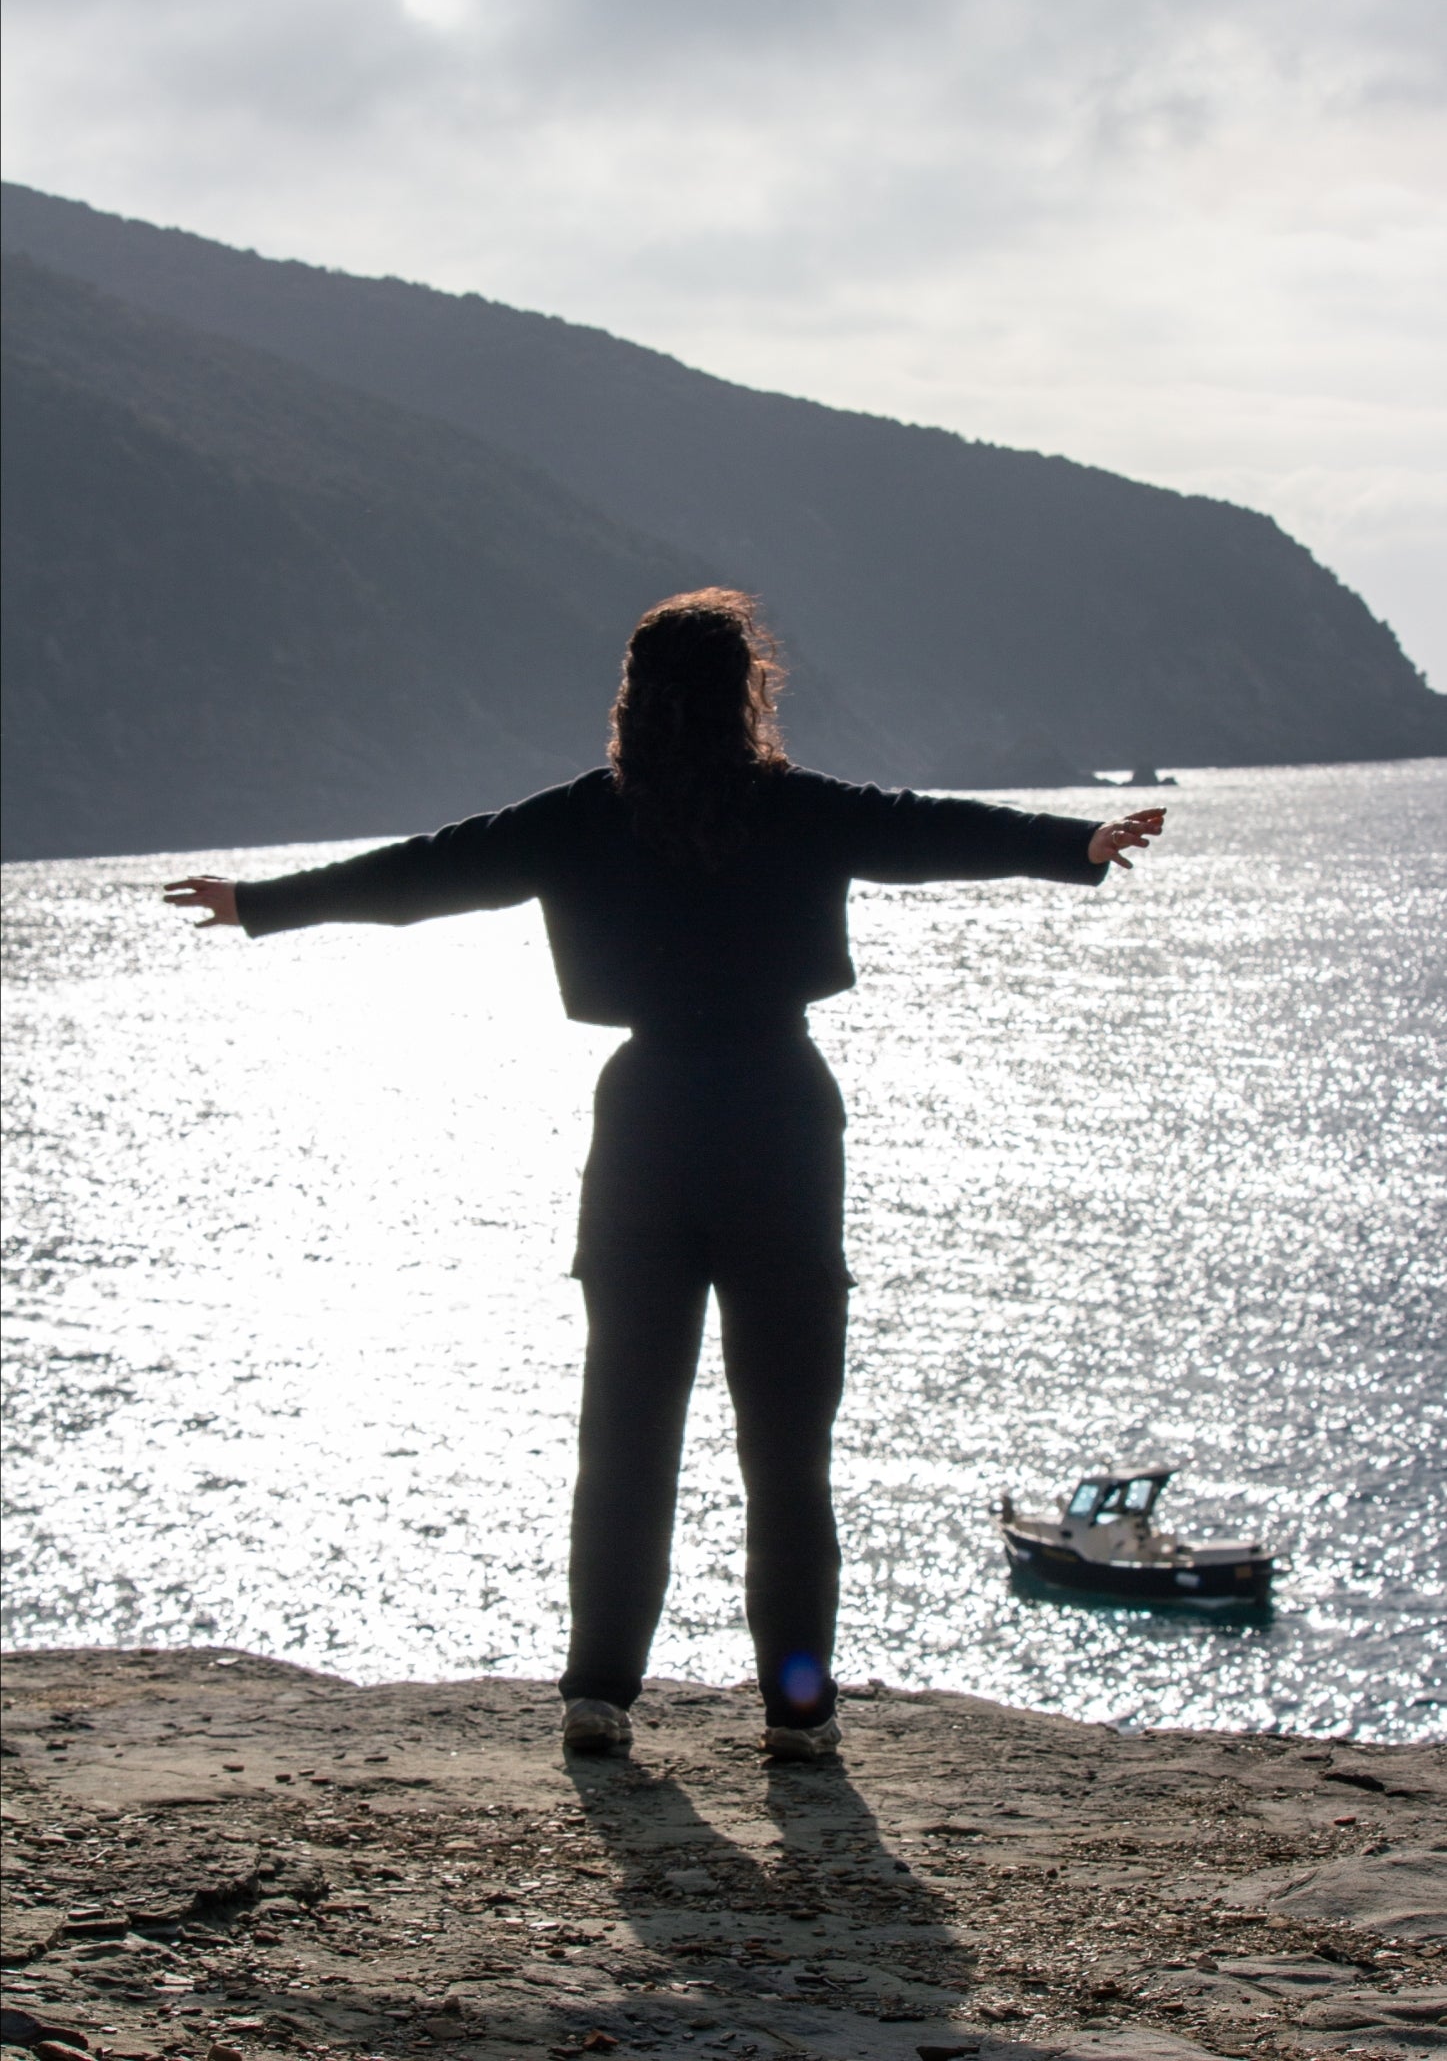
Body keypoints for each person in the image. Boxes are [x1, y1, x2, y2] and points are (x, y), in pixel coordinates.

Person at [166, 589, 1165, 1761]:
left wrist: (262, 907)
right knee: (787, 1446)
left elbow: (425, 874)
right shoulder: (795, 811)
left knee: (626, 1426)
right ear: (749, 693)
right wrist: (1071, 845)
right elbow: (921, 829)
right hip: (780, 1122)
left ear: (634, 701)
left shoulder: (582, 820)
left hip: (645, 1124)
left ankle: (598, 1694)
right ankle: (797, 1712)